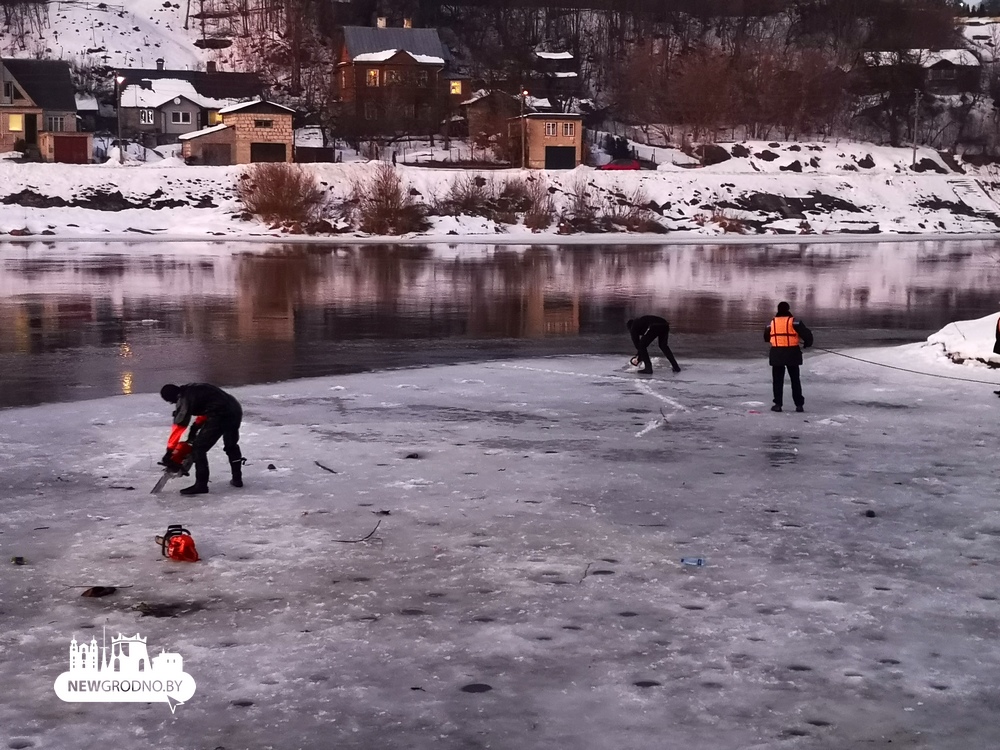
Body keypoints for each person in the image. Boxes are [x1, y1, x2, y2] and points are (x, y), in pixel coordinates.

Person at [160, 383, 244, 495]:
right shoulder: (195, 390)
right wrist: (195, 427)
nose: (173, 404)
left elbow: (179, 426)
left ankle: (201, 485)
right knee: (231, 445)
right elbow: (207, 407)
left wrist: (169, 451)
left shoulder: (184, 398)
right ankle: (237, 479)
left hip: (220, 414)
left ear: (173, 397)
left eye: (171, 402)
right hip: (234, 409)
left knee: (199, 448)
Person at [764, 301, 813, 413]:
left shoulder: (771, 323)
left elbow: (766, 338)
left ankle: (778, 404)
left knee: (777, 381)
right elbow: (807, 335)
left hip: (776, 353)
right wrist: (807, 344)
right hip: (792, 353)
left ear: (778, 309)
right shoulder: (795, 322)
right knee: (795, 380)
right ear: (788, 309)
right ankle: (799, 405)